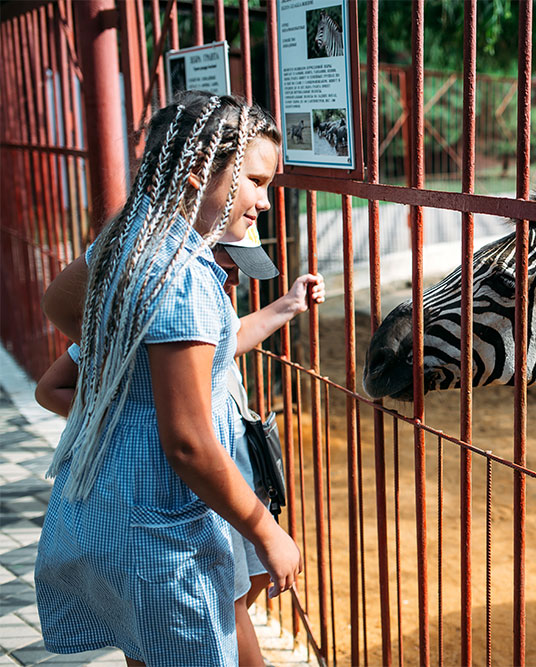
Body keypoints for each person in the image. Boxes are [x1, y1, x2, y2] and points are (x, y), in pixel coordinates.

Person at [35, 92, 301, 667]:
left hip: (109, 516)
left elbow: (59, 305)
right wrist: (268, 532)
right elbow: (187, 444)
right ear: (202, 165)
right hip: (162, 545)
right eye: (255, 181)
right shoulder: (185, 273)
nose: (261, 202)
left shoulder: (132, 246)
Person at [35, 240, 325, 665]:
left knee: (212, 608)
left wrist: (289, 304)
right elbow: (54, 388)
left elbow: (236, 334)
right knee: (225, 607)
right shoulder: (167, 312)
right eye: (226, 264)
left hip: (222, 486)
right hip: (199, 495)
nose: (233, 279)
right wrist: (139, 426)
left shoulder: (201, 314)